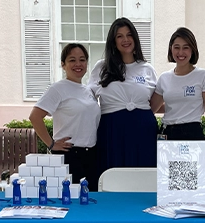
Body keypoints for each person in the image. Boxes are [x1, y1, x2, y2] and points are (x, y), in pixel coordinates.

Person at [88, 17, 158, 178]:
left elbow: (157, 100)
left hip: (143, 129)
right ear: (113, 41)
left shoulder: (147, 68)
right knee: (113, 173)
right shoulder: (101, 67)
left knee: (143, 174)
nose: (125, 40)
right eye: (119, 36)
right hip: (112, 128)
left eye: (129, 35)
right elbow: (88, 99)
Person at [29, 43, 100, 192]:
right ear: (63, 64)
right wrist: (51, 144)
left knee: (91, 201)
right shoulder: (58, 88)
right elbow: (35, 117)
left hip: (91, 155)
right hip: (69, 155)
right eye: (72, 60)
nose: (78, 64)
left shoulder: (88, 90)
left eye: (82, 59)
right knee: (72, 202)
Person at [150, 27, 205, 146]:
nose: (180, 52)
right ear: (171, 49)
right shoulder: (164, 78)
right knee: (166, 166)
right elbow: (151, 108)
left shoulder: (203, 76)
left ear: (192, 49)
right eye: (176, 47)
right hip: (167, 133)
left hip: (192, 133)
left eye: (185, 47)